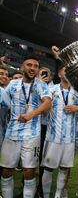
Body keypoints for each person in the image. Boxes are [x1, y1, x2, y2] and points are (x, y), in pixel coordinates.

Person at [0, 56, 52, 197]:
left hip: (32, 134)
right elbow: (4, 101)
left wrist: (31, 114)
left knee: (29, 172)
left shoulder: (41, 85)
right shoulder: (13, 84)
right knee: (6, 171)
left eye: (36, 66)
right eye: (29, 65)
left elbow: (47, 102)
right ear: (22, 67)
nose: (32, 68)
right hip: (12, 133)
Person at [41, 64, 78, 198]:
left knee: (64, 169)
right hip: (53, 137)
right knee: (48, 169)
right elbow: (43, 110)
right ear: (59, 74)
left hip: (70, 139)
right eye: (65, 70)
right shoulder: (50, 90)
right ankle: (45, 195)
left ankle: (58, 195)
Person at [36, 67, 54, 197]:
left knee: (44, 160)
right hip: (34, 127)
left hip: (48, 128)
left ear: (51, 76)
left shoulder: (54, 88)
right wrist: (38, 82)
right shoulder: (34, 85)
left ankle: (41, 188)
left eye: (47, 73)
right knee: (31, 159)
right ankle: (27, 186)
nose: (45, 75)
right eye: (42, 73)